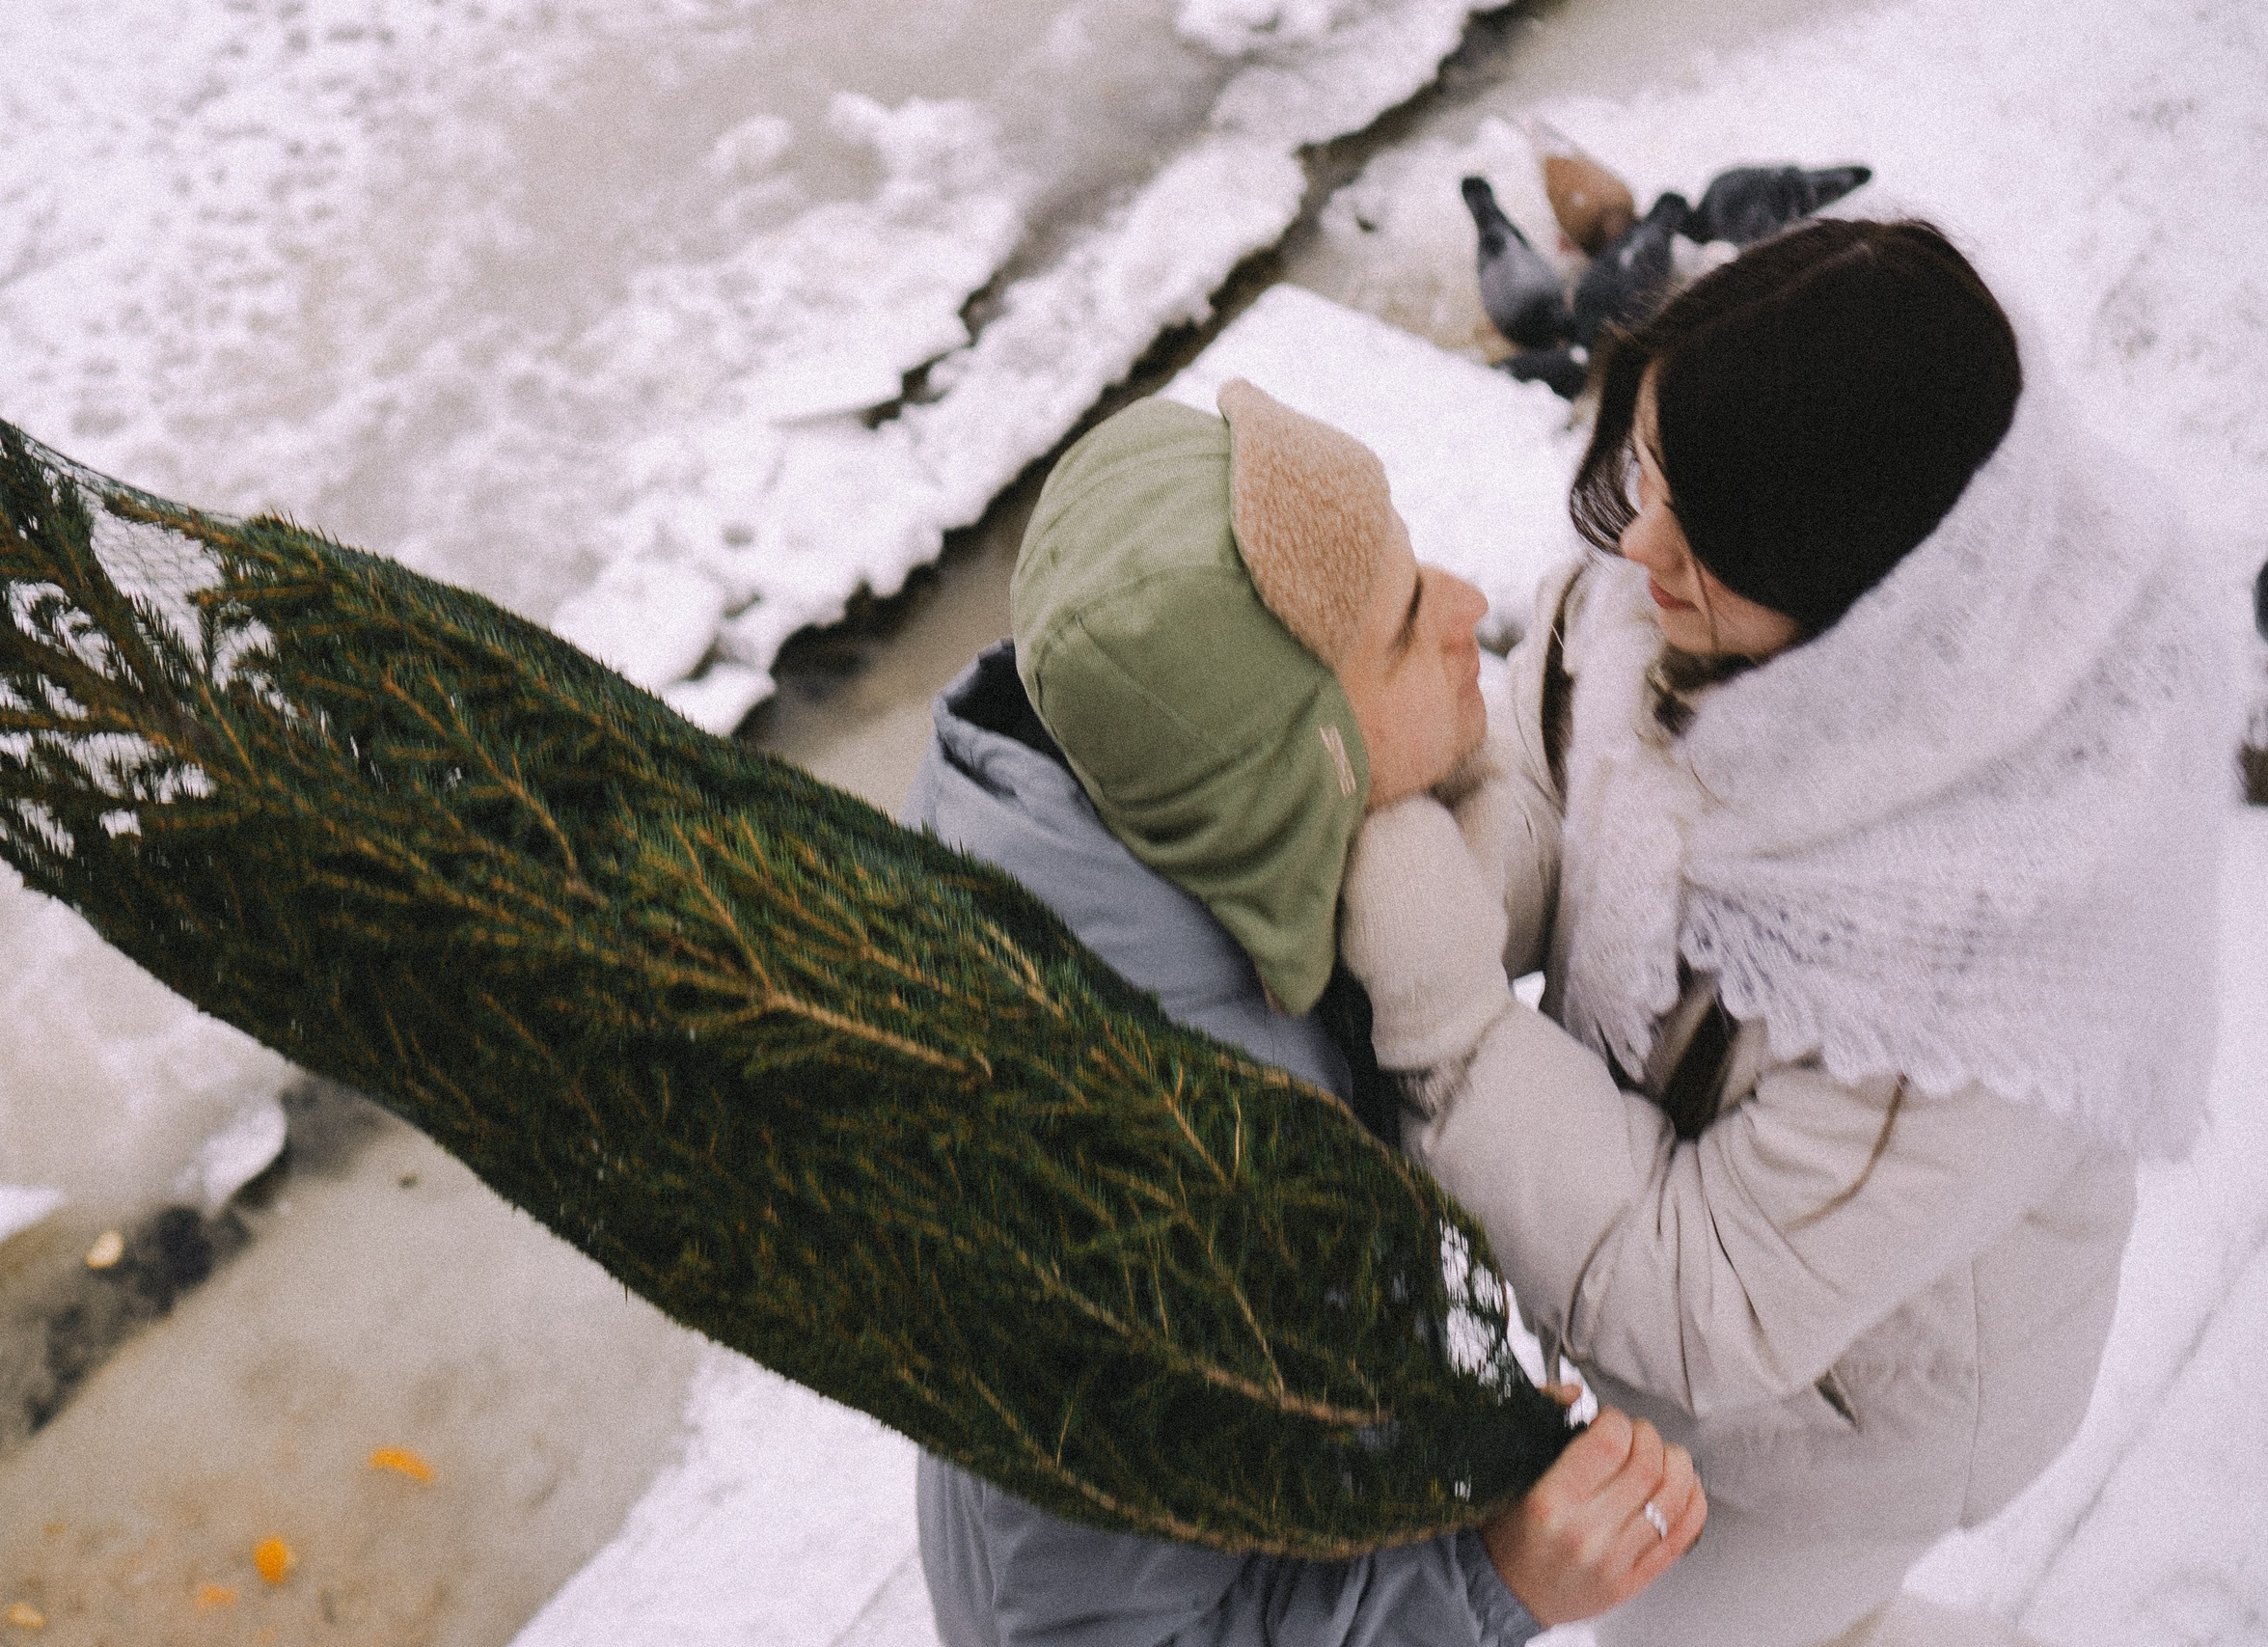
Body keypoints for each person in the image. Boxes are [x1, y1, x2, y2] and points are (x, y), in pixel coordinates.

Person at [1336, 219, 2234, 1646]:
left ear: (1866, 595)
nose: (1639, 541)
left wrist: (1446, 1028)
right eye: (1651, 471)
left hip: (1855, 1428)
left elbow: (1714, 1296)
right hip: (1689, 1306)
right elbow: (1555, 775)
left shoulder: (1970, 962)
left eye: (1706, 529)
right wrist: (1444, 880)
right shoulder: (1682, 602)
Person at [905, 381, 1706, 1647]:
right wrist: (1482, 1584)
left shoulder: (1129, 803)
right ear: (1283, 778)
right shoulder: (1146, 1206)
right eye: (1403, 630)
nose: (1468, 606)